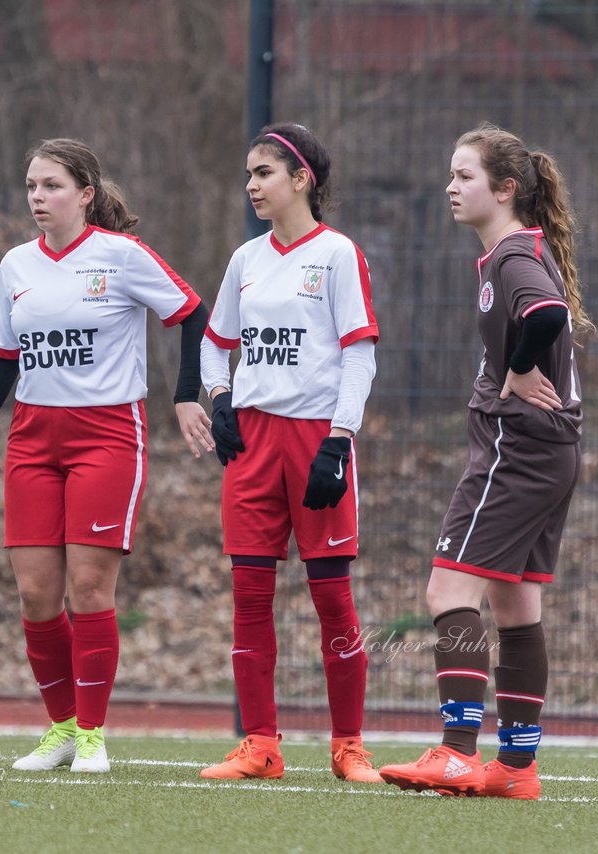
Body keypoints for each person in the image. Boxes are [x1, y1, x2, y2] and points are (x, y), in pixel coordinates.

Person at [0, 138, 211, 774]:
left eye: (51, 186)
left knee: (89, 589)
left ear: (85, 194)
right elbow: (2, 353)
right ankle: (63, 729)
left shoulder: (121, 256)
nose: (37, 198)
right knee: (35, 594)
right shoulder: (16, 264)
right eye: (31, 187)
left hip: (107, 435)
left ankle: (95, 736)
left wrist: (188, 397)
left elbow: (190, 312)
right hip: (32, 439)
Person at [378, 123, 589, 799]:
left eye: (464, 176)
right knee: (515, 603)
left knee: (448, 593)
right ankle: (516, 769)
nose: (450, 186)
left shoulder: (512, 259)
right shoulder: (515, 251)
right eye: (449, 173)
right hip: (550, 453)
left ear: (504, 190)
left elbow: (549, 314)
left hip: (517, 451)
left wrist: (521, 367)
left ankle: (457, 752)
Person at [197, 123, 381, 782]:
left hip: (314, 441)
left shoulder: (336, 254)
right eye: (248, 173)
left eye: (264, 172)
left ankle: (348, 747)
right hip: (252, 441)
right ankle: (261, 746)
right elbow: (213, 341)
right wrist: (219, 397)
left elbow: (359, 353)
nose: (251, 184)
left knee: (332, 599)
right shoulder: (245, 260)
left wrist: (339, 438)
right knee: (249, 597)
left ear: (302, 178)